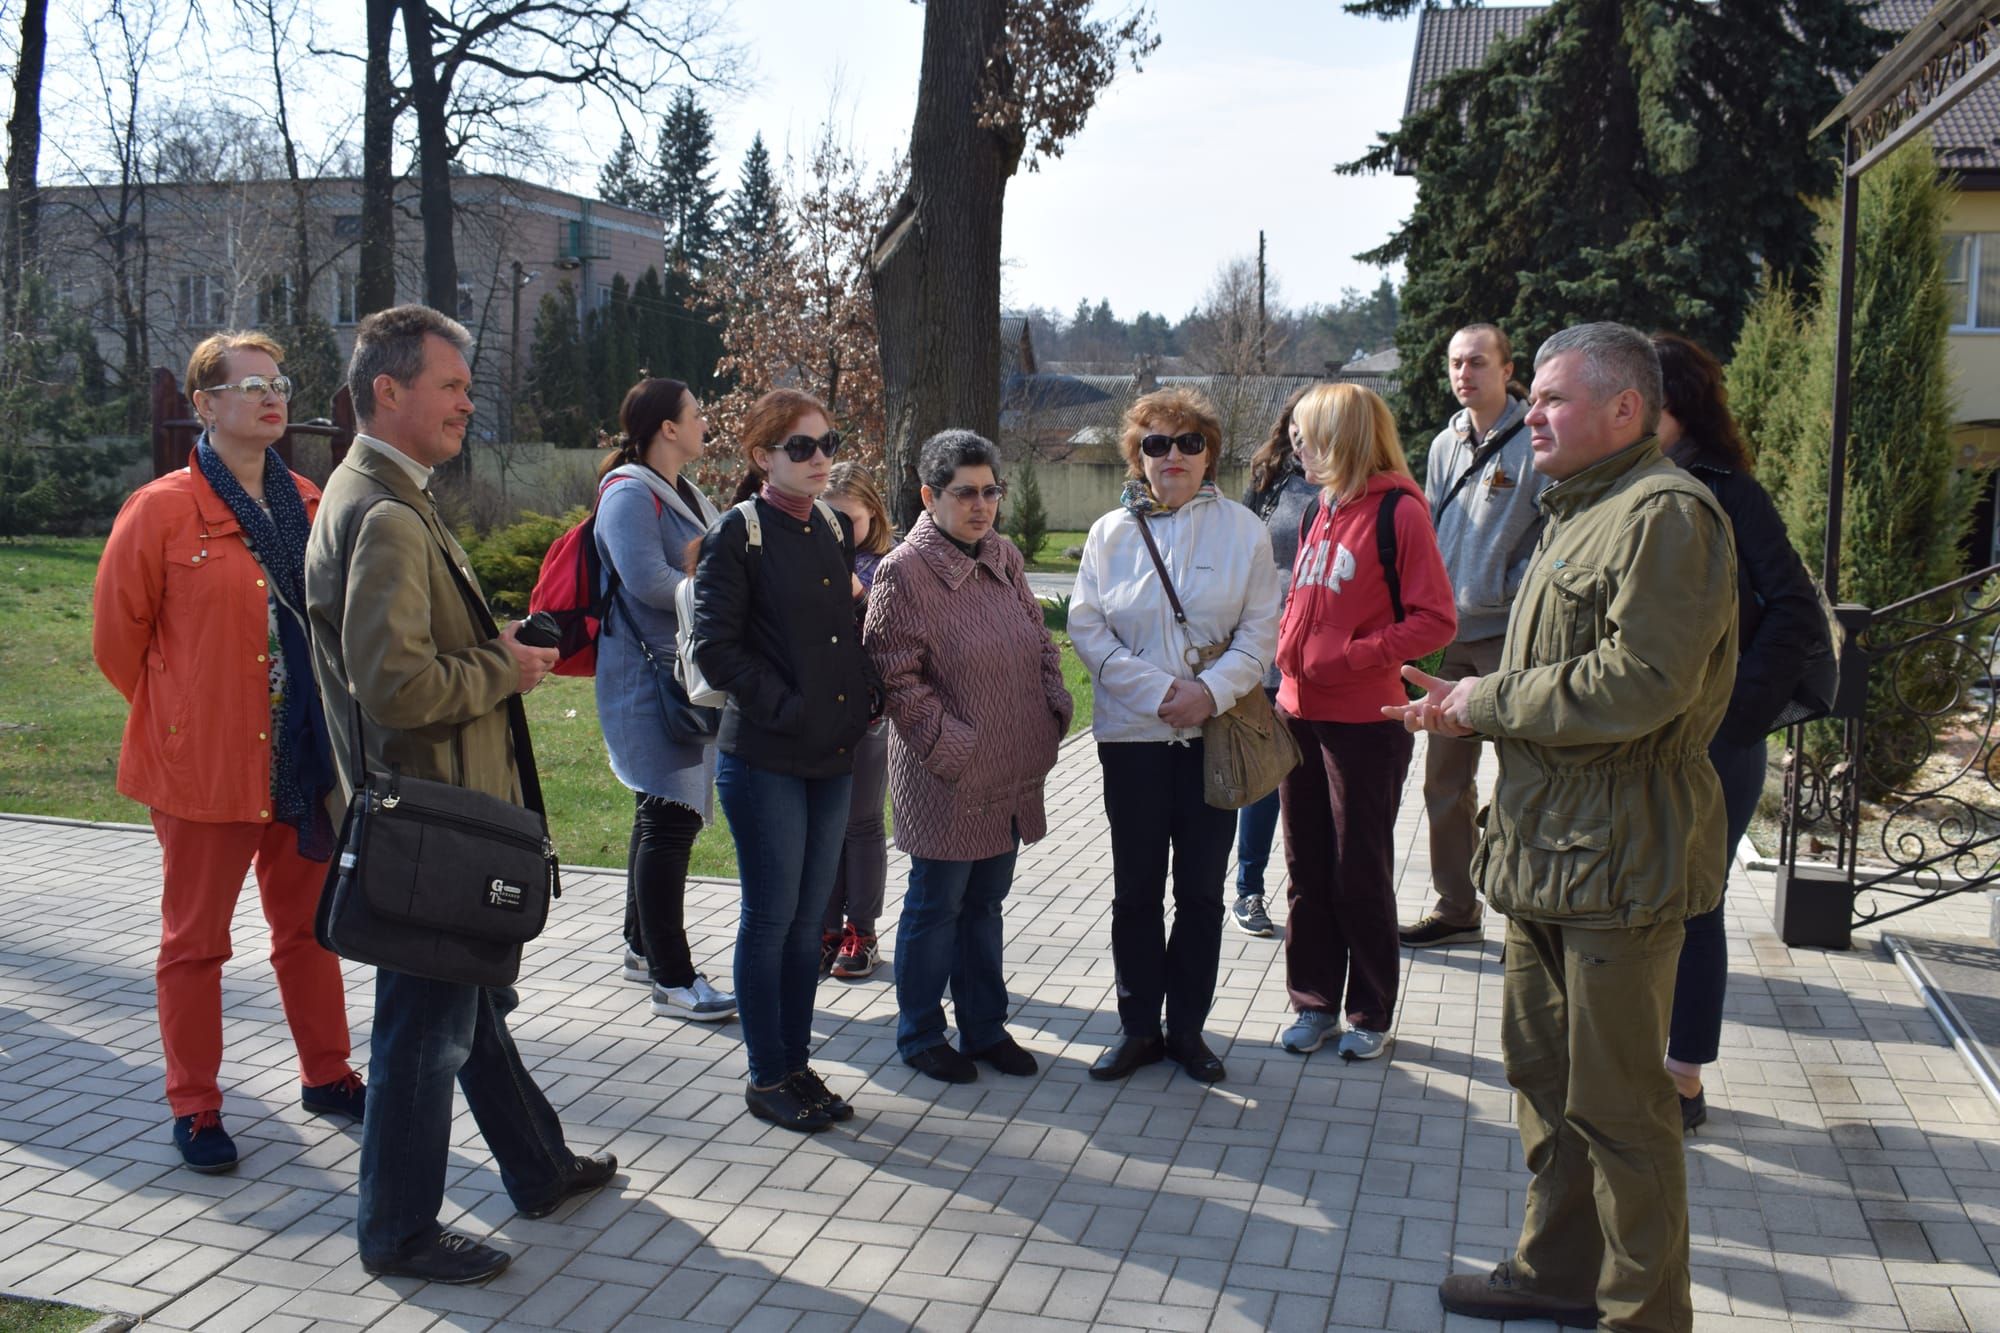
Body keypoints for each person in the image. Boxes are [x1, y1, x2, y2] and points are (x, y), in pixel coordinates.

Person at [1390, 322, 1736, 1331]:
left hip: (1621, 861)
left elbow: (1640, 683)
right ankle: (1556, 1271)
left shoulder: (1663, 515)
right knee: (1546, 1082)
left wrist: (1482, 706)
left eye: (1550, 399)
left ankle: (1642, 1313)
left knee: (1625, 1112)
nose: (1527, 415)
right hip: (1550, 856)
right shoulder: (1578, 508)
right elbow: (1554, 671)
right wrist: (1467, 695)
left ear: (1623, 410)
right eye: (1529, 396)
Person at [305, 305, 616, 1284]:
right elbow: (393, 686)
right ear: (386, 391)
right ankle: (397, 1232)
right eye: (450, 385)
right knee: (421, 1037)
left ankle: (537, 1165)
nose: (466, 403)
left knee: (466, 1008)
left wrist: (496, 649)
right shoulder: (387, 514)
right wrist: (503, 668)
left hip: (435, 823)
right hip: (431, 830)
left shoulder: (383, 494)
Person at [93, 330, 364, 1175]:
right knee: (195, 943)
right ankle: (196, 1103)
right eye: (249, 385)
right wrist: (182, 718)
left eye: (279, 382)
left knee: (311, 931)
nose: (271, 395)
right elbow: (117, 641)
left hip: (302, 763)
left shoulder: (313, 503)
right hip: (202, 769)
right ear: (204, 405)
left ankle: (327, 1074)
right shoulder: (161, 508)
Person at [1069, 387, 1283, 1085]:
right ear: (1137, 456)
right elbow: (1087, 627)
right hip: (1132, 739)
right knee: (1135, 891)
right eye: (1156, 443)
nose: (1173, 456)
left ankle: (1187, 1029)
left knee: (1199, 892)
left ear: (1209, 451)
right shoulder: (1109, 534)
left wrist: (1207, 694)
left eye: (1188, 442)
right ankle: (1138, 1029)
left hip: (1212, 740)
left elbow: (1259, 636)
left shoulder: (1245, 531)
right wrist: (1159, 692)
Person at [1653, 331, 1827, 1134]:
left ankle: (1683, 1079)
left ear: (1669, 405)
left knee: (1697, 904)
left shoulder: (1729, 490)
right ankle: (1640, 1060)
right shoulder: (1627, 485)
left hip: (1718, 745)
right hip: (1653, 741)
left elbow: (1794, 606)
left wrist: (1737, 710)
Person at [690, 388, 874, 1132]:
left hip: (830, 756)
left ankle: (796, 1064)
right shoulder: (739, 533)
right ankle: (766, 1075)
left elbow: (842, 636)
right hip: (766, 757)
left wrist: (858, 698)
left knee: (809, 927)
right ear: (763, 456)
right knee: (770, 919)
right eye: (801, 446)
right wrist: (794, 709)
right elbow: (716, 649)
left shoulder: (830, 523)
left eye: (828, 441)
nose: (821, 457)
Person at [864, 431, 1072, 1084]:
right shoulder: (904, 571)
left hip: (1007, 770)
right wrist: (953, 745)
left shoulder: (1005, 556)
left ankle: (985, 1026)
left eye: (990, 491)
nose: (981, 505)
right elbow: (894, 676)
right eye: (965, 493)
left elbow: (1041, 642)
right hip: (945, 777)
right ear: (930, 496)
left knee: (987, 903)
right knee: (937, 904)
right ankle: (921, 1032)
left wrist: (1052, 706)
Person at [1275, 384, 1455, 1060]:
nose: (1298, 444)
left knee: (1360, 869)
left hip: (1364, 720)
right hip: (1298, 714)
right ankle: (1313, 1003)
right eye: (1295, 432)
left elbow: (1436, 619)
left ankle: (1369, 1010)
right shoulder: (1318, 509)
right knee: (1305, 866)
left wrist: (1353, 655)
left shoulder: (1401, 511)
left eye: (1309, 432)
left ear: (1345, 435)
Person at [1402, 323, 1551, 950]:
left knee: (1522, 778)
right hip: (1454, 641)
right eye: (1456, 363)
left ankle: (1531, 906)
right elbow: (1434, 527)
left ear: (1507, 368)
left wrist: (1506, 588)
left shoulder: (1535, 443)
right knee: (1444, 783)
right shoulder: (1444, 443)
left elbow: (1552, 529)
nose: (1465, 373)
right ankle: (1457, 906)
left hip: (1511, 640)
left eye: (1478, 362)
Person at [595, 377, 736, 1022]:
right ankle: (674, 980)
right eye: (696, 413)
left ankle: (640, 947)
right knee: (669, 820)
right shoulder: (628, 494)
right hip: (646, 679)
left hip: (676, 673)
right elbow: (647, 581)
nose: (705, 421)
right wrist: (724, 593)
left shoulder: (684, 492)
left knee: (658, 811)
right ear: (667, 428)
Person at [1231, 388, 1317, 938]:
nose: (1305, 436)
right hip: (1268, 649)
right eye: (1298, 424)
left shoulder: (1359, 483)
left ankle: (1311, 892)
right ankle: (1249, 890)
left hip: (1328, 657)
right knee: (1264, 779)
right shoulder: (1269, 483)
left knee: (1311, 782)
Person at [819, 461, 895, 981]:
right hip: (815, 713)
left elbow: (892, 637)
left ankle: (861, 929)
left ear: (873, 512)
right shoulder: (808, 555)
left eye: (850, 520)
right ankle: (825, 926)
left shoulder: (888, 564)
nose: (841, 532)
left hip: (867, 713)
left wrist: (857, 592)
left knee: (862, 822)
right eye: (831, 521)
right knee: (824, 823)